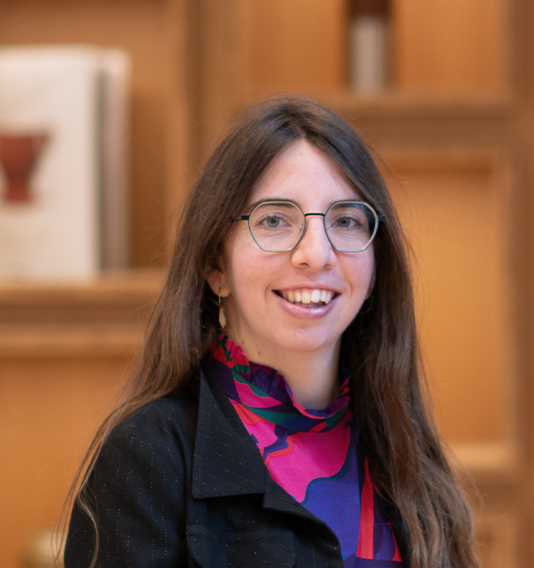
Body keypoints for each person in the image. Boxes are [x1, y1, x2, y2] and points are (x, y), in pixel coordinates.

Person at [64, 96, 478, 568]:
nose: (316, 255)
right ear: (216, 264)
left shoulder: (405, 451)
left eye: (345, 220)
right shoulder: (150, 455)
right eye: (275, 220)